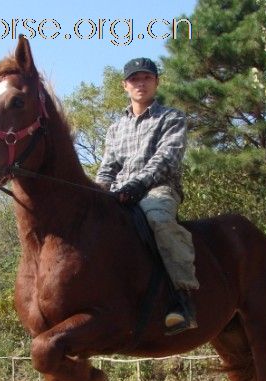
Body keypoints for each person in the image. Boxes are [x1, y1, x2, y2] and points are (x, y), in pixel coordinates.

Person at [96, 57, 199, 335]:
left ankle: (183, 299)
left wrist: (138, 185)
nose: (140, 83)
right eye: (134, 79)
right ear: (125, 86)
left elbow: (167, 158)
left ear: (156, 82)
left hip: (158, 189)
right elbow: (108, 168)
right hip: (120, 192)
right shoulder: (115, 128)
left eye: (146, 78)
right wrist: (97, 194)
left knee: (159, 220)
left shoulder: (172, 117)